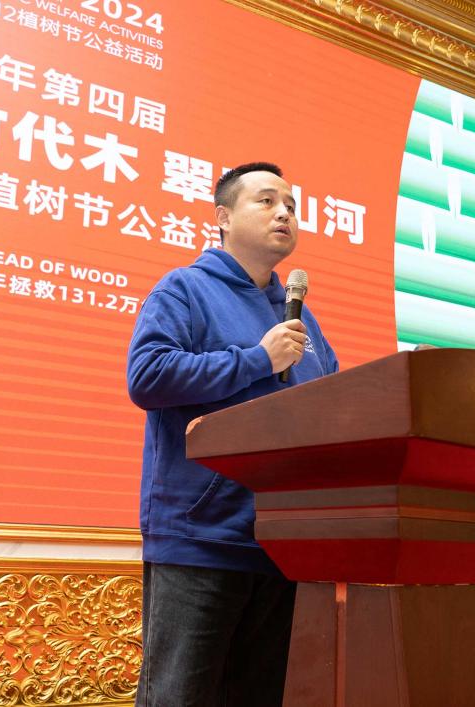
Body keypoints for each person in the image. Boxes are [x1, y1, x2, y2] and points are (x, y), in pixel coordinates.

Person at [126, 162, 339, 706]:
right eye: (266, 201)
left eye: (291, 205)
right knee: (180, 697)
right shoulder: (185, 289)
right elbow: (147, 376)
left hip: (283, 544)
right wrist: (256, 359)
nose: (284, 213)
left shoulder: (303, 322)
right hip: (202, 539)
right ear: (223, 217)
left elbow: (336, 405)